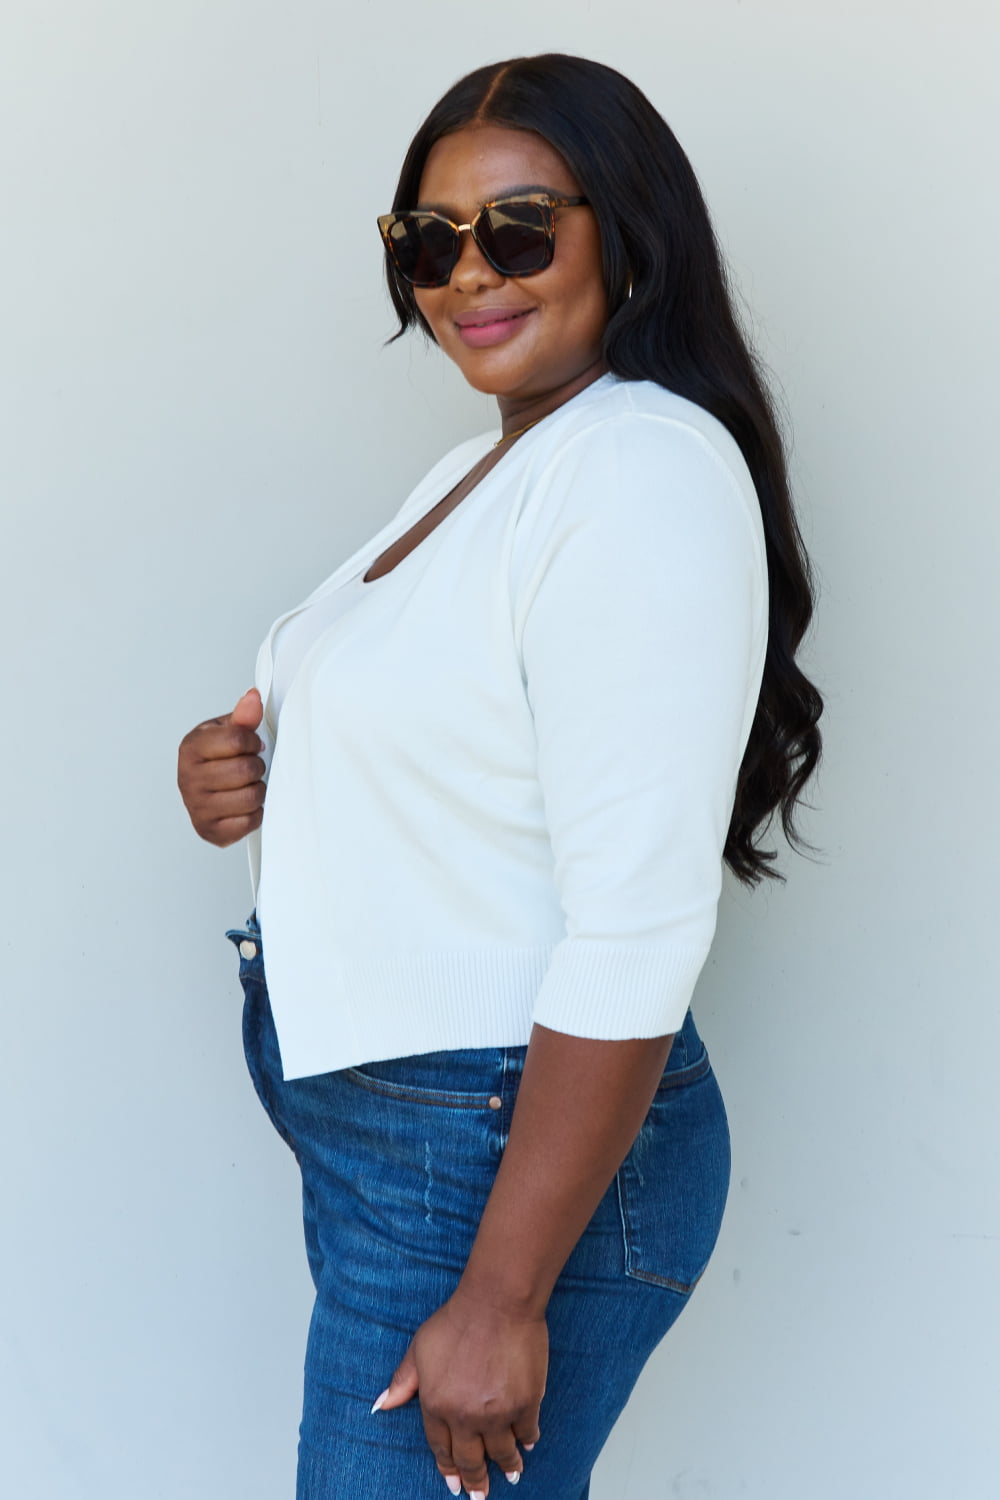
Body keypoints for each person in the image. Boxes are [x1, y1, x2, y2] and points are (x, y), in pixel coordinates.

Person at [177, 52, 822, 1500]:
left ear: (630, 234)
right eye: (428, 237)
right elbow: (463, 752)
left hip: (489, 1160)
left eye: (520, 227)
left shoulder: (638, 471)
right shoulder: (502, 468)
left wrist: (506, 1293)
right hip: (419, 1147)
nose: (470, 272)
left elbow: (640, 924)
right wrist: (243, 765)